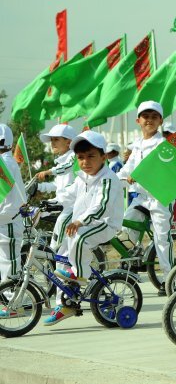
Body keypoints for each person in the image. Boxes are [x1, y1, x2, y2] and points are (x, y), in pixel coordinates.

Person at [44, 131, 124, 325]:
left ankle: (80, 273)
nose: (85, 162)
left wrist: (80, 221)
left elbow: (101, 206)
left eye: (91, 156)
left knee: (80, 238)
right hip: (84, 224)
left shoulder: (108, 178)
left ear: (104, 157)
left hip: (105, 224)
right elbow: (68, 196)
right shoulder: (82, 178)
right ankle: (66, 304)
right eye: (80, 158)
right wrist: (46, 204)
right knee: (60, 261)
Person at [117, 101, 173, 295]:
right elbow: (127, 169)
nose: (149, 120)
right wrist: (113, 181)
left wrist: (140, 176)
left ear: (160, 121)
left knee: (161, 239)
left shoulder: (164, 144)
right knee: (126, 227)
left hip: (159, 198)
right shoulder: (137, 145)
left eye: (154, 117)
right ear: (138, 120)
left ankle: (168, 280)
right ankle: (133, 265)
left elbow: (164, 170)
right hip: (140, 198)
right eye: (145, 117)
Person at [36, 124, 77, 255]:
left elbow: (67, 167)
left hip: (73, 204)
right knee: (35, 213)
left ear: (69, 142)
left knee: (61, 223)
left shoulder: (74, 156)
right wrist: (38, 187)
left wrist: (49, 171)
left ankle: (54, 258)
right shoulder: (60, 160)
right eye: (52, 140)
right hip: (61, 201)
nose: (52, 143)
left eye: (56, 139)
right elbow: (56, 185)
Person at [0, 124, 26, 284]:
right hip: (5, 220)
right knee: (4, 265)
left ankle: (14, 306)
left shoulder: (6, 163)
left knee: (10, 266)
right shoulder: (5, 161)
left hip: (8, 221)